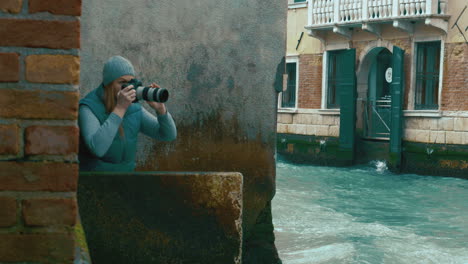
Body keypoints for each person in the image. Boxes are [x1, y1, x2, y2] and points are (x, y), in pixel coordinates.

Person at [78, 56, 177, 171]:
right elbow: (97, 149)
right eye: (122, 82)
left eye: (131, 82)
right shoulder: (88, 107)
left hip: (126, 179)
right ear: (108, 84)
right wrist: (120, 109)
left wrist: (161, 110)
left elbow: (168, 136)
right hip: (96, 179)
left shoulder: (134, 108)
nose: (128, 87)